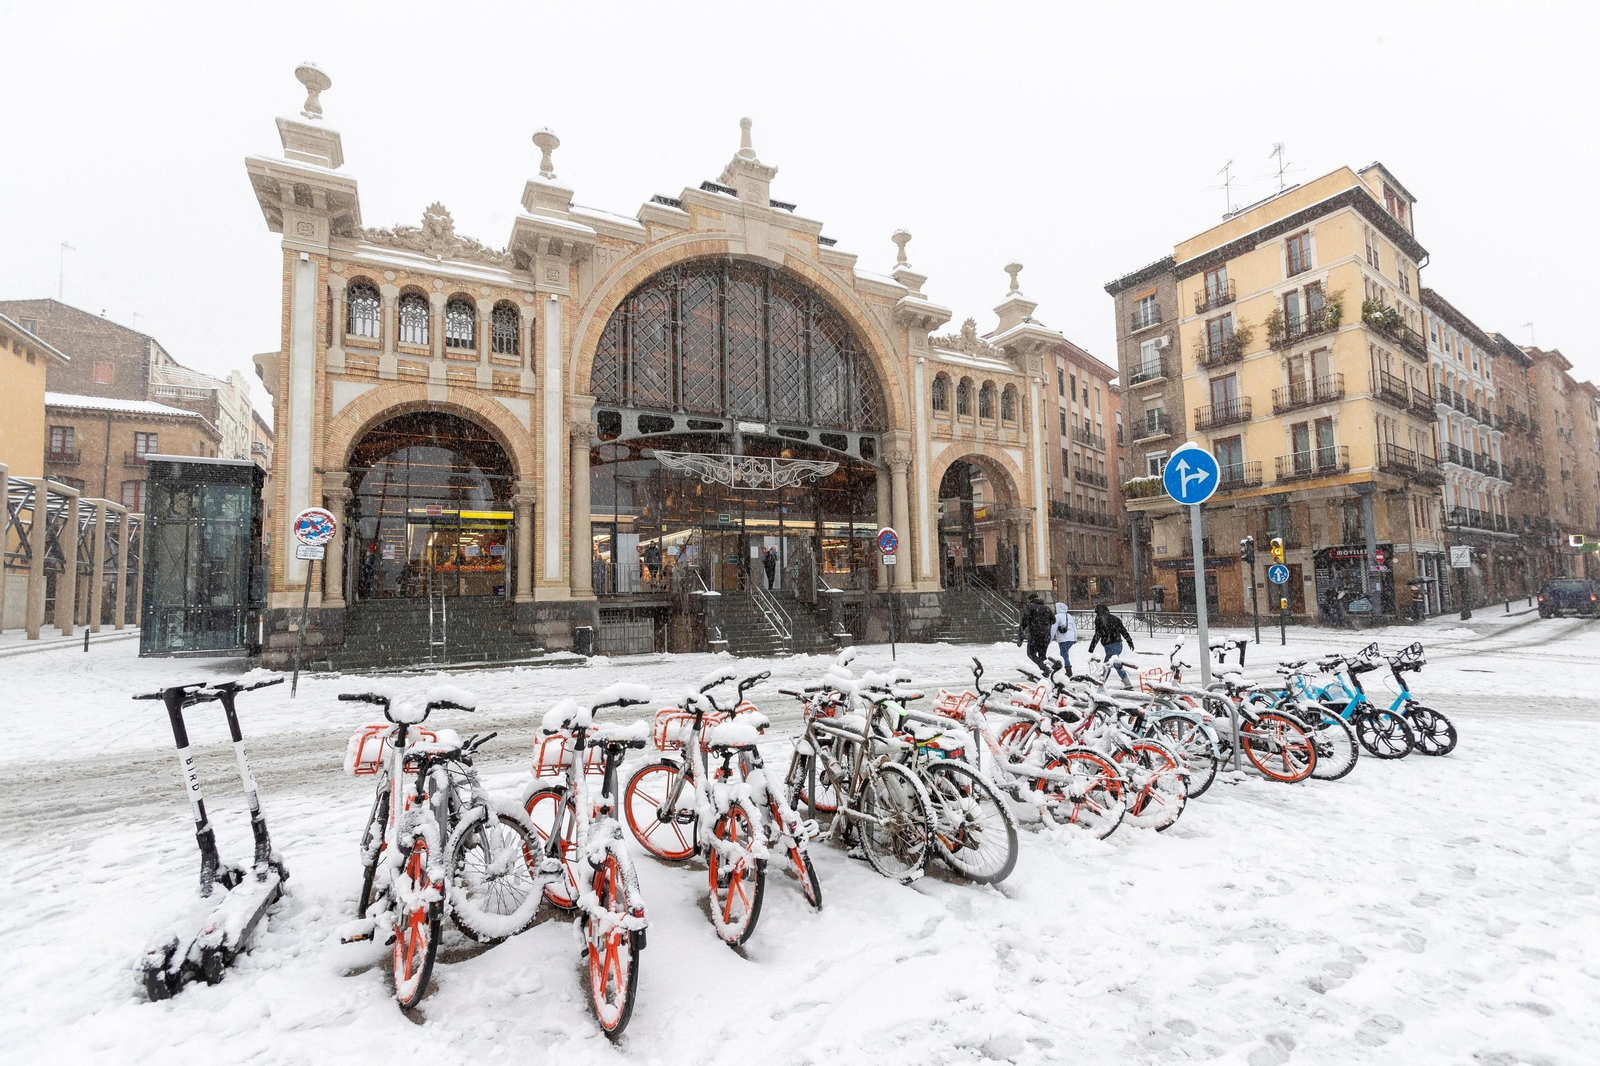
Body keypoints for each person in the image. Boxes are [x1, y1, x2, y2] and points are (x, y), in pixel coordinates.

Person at [1087, 603, 1135, 687]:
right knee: (1114, 664)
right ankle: (1127, 684)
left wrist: (1091, 648)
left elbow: (1097, 634)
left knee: (1108, 665)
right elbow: (1123, 630)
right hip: (1117, 644)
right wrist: (1129, 641)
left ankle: (1102, 684)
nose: (1097, 615)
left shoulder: (1099, 620)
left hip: (1110, 645)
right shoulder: (1114, 619)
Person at [1017, 592, 1054, 670]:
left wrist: (1021, 630)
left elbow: (1025, 620)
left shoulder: (1030, 607)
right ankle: (1046, 670)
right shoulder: (1047, 607)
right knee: (1042, 655)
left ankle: (1045, 668)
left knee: (1031, 653)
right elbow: (1053, 620)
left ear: (1030, 599)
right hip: (1046, 635)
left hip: (1035, 635)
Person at [1051, 599, 1078, 675]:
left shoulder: (1057, 617)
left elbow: (1053, 629)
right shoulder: (1069, 616)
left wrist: (1050, 638)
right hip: (1071, 638)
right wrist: (1075, 638)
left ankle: (1068, 669)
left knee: (1064, 654)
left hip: (1063, 638)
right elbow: (1074, 628)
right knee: (1064, 653)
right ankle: (1066, 667)